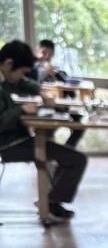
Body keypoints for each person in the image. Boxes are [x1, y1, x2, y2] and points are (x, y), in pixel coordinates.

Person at [0, 39, 88, 222]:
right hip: (9, 145)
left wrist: (41, 92)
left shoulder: (6, 78)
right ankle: (50, 203)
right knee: (76, 159)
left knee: (66, 156)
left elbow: (23, 82)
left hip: (17, 139)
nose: (22, 76)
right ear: (8, 64)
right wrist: (21, 110)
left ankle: (51, 202)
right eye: (21, 71)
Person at [31, 39, 84, 151]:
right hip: (39, 110)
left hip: (59, 110)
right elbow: (30, 86)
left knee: (80, 124)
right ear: (37, 51)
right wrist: (43, 72)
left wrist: (57, 75)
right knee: (45, 133)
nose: (46, 57)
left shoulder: (59, 73)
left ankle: (65, 151)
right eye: (44, 53)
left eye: (50, 54)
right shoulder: (30, 70)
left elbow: (71, 94)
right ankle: (49, 154)